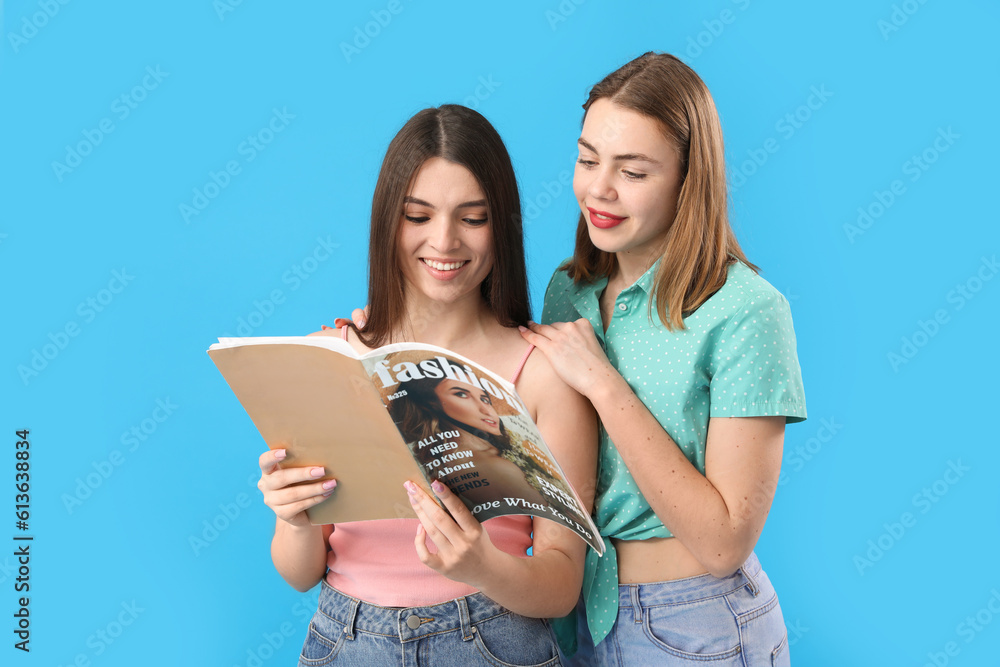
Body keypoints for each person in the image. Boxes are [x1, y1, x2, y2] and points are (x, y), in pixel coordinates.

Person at [255, 104, 597, 666]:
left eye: (473, 217)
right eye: (418, 215)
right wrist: (292, 518)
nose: (444, 241)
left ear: (502, 225)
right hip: (348, 639)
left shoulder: (541, 372)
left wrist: (482, 565)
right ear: (388, 221)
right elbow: (300, 574)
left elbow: (561, 586)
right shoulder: (332, 355)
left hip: (492, 638)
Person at [518, 52, 807, 666]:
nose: (599, 188)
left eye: (634, 172)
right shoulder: (567, 291)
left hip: (694, 624)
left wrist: (603, 383)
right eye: (587, 158)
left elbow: (725, 541)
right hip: (577, 621)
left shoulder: (747, 312)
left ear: (687, 178)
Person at [387, 371, 551, 510]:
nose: (485, 409)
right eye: (461, 394)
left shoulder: (491, 447)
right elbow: (552, 515)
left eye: (484, 398)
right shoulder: (496, 468)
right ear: (431, 404)